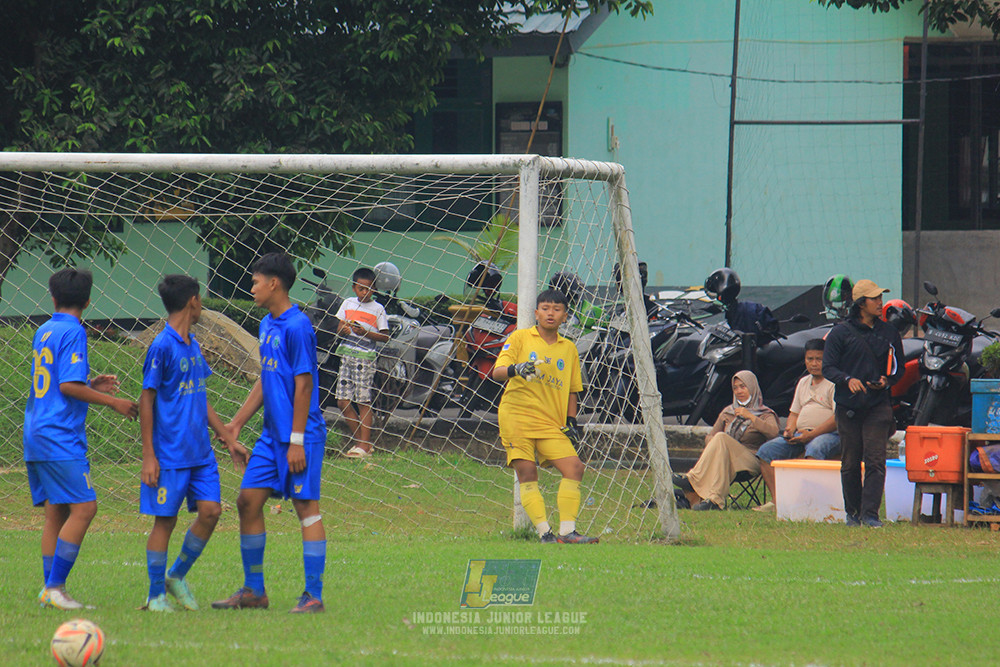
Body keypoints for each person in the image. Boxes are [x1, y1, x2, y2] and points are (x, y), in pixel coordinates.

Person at [212, 253, 328, 613]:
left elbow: (304, 385)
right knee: (247, 502)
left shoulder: (298, 326)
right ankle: (254, 590)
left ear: (274, 283)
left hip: (300, 435)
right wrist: (236, 424)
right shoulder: (266, 324)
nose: (252, 288)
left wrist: (296, 441)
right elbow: (268, 378)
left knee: (305, 508)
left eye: (255, 281)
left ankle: (313, 595)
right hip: (270, 437)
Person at [25, 268, 139, 610]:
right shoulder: (75, 331)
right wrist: (114, 401)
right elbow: (66, 387)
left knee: (55, 512)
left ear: (52, 296)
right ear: (89, 301)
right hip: (60, 435)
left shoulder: (44, 330)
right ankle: (56, 587)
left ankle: (50, 590)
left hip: (36, 430)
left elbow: (59, 380)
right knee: (86, 508)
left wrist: (90, 384)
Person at [139, 275, 249, 612]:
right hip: (170, 453)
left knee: (211, 511)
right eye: (201, 299)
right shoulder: (162, 346)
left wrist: (229, 438)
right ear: (193, 302)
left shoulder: (193, 343)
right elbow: (146, 400)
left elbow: (200, 399)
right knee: (166, 521)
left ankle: (176, 575)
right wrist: (148, 456)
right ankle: (156, 594)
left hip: (200, 452)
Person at [492, 288, 597, 544]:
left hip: (551, 422)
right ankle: (544, 534)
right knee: (527, 473)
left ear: (565, 316)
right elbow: (497, 372)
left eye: (557, 309)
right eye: (546, 308)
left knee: (574, 468)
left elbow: (574, 389)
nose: (551, 314)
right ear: (536, 312)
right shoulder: (519, 339)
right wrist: (517, 369)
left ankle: (567, 532)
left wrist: (571, 421)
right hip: (516, 416)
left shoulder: (569, 348)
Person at [822, 279, 904, 528]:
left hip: (878, 405)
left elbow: (897, 368)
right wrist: (847, 380)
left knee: (876, 460)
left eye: (880, 298)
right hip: (849, 406)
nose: (880, 303)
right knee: (849, 462)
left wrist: (886, 381)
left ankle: (871, 515)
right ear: (860, 304)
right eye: (874, 299)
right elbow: (828, 367)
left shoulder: (889, 332)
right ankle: (853, 513)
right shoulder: (840, 333)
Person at [753, 339, 839, 512]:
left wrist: (812, 434)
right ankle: (779, 502)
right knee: (766, 451)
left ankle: (810, 502)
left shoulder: (834, 382)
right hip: (801, 435)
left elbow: (837, 419)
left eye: (819, 359)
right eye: (810, 359)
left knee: (815, 448)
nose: (814, 364)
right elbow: (794, 413)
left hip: (830, 435)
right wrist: (789, 430)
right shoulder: (803, 382)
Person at [674, 371, 779, 511]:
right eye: (735, 388)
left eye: (743, 387)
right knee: (718, 440)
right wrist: (715, 447)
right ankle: (714, 500)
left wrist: (751, 417)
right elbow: (710, 437)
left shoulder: (765, 413)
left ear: (752, 387)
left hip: (750, 460)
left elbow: (773, 432)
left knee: (722, 438)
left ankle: (692, 481)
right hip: (726, 460)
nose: (739, 391)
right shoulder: (728, 412)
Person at [334, 267, 389, 459]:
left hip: (365, 358)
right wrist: (346, 330)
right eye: (361, 289)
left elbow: (384, 337)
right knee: (342, 400)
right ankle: (363, 443)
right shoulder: (347, 303)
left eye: (369, 289)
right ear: (354, 288)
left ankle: (363, 447)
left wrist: (364, 332)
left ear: (374, 289)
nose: (365, 293)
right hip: (346, 355)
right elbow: (340, 327)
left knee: (363, 400)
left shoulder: (378, 309)